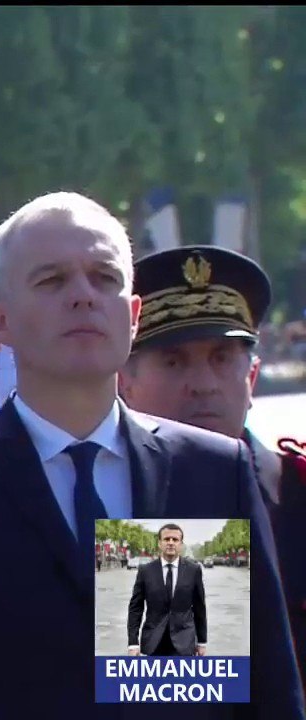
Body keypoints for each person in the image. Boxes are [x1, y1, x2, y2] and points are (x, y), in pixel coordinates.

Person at [0, 191, 304, 719]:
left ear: (134, 314)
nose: (83, 297)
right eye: (52, 281)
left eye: (105, 278)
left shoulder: (206, 472)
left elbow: (255, 693)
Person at [119, 245, 305, 684]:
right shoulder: (115, 498)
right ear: (124, 382)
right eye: (173, 361)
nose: (202, 385)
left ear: (252, 378)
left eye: (221, 360)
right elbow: (176, 690)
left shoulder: (297, 488)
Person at [126, 524, 207, 657]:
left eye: (175, 540)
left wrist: (202, 642)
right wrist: (133, 643)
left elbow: (199, 607)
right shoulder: (145, 571)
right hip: (153, 642)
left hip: (184, 642)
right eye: (166, 539)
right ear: (159, 543)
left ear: (181, 544)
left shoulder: (194, 570)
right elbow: (136, 608)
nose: (170, 543)